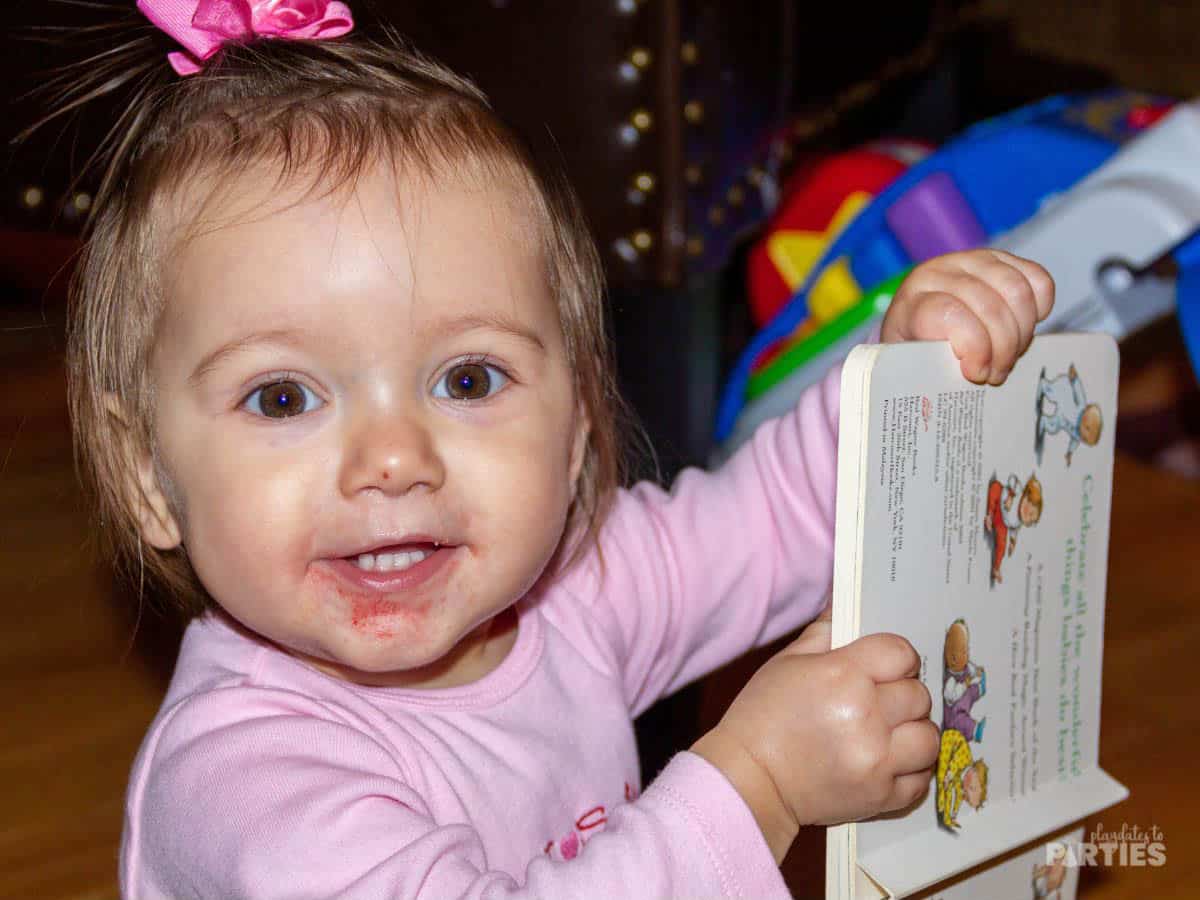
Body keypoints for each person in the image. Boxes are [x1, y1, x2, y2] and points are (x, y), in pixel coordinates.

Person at [52, 1, 1054, 895]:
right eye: (282, 396)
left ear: (579, 426)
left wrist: (902, 376)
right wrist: (758, 784)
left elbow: (771, 522)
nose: (394, 458)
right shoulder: (245, 790)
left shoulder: (568, 592)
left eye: (468, 379)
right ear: (147, 473)